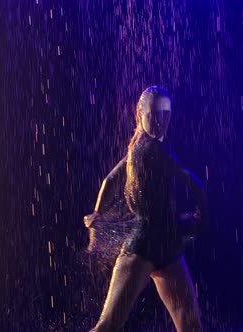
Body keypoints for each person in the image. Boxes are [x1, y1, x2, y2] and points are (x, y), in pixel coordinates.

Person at [84, 86, 208, 332]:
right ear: (139, 115)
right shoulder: (153, 149)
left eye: (165, 114)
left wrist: (98, 214)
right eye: (153, 114)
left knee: (190, 326)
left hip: (167, 247)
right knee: (108, 326)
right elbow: (195, 184)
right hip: (143, 247)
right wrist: (201, 217)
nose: (161, 120)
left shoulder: (136, 149)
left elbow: (109, 181)